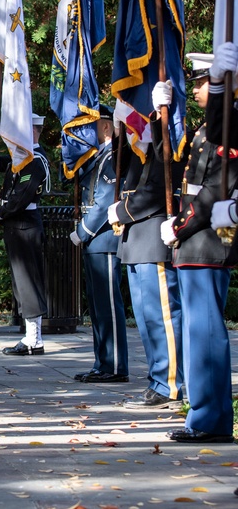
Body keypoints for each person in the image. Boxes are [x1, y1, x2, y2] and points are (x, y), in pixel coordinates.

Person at [159, 46, 238, 443]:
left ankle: (208, 418)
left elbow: (210, 193)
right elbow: (169, 165)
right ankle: (213, 414)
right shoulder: (205, 130)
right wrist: (157, 118)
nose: (197, 88)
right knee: (198, 330)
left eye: (203, 82)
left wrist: (180, 227)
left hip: (207, 241)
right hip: (196, 242)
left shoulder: (227, 126)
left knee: (204, 332)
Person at [110, 119, 184, 409]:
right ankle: (158, 381)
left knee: (162, 317)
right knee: (145, 320)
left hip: (152, 236)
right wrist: (119, 134)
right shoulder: (139, 150)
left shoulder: (167, 145)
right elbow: (121, 164)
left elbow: (154, 192)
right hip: (135, 240)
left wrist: (122, 211)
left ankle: (172, 384)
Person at [69, 105, 128, 381]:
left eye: (90, 126)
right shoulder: (97, 157)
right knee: (97, 306)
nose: (85, 132)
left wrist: (82, 231)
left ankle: (115, 366)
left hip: (103, 237)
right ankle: (102, 363)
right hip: (95, 241)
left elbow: (105, 200)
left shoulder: (113, 156)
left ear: (106, 127)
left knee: (108, 306)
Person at [0, 113, 51, 356]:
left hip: (25, 225)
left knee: (28, 282)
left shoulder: (36, 160)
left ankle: (34, 339)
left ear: (33, 131)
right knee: (20, 282)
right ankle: (32, 336)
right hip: (16, 226)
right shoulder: (20, 158)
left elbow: (22, 196)